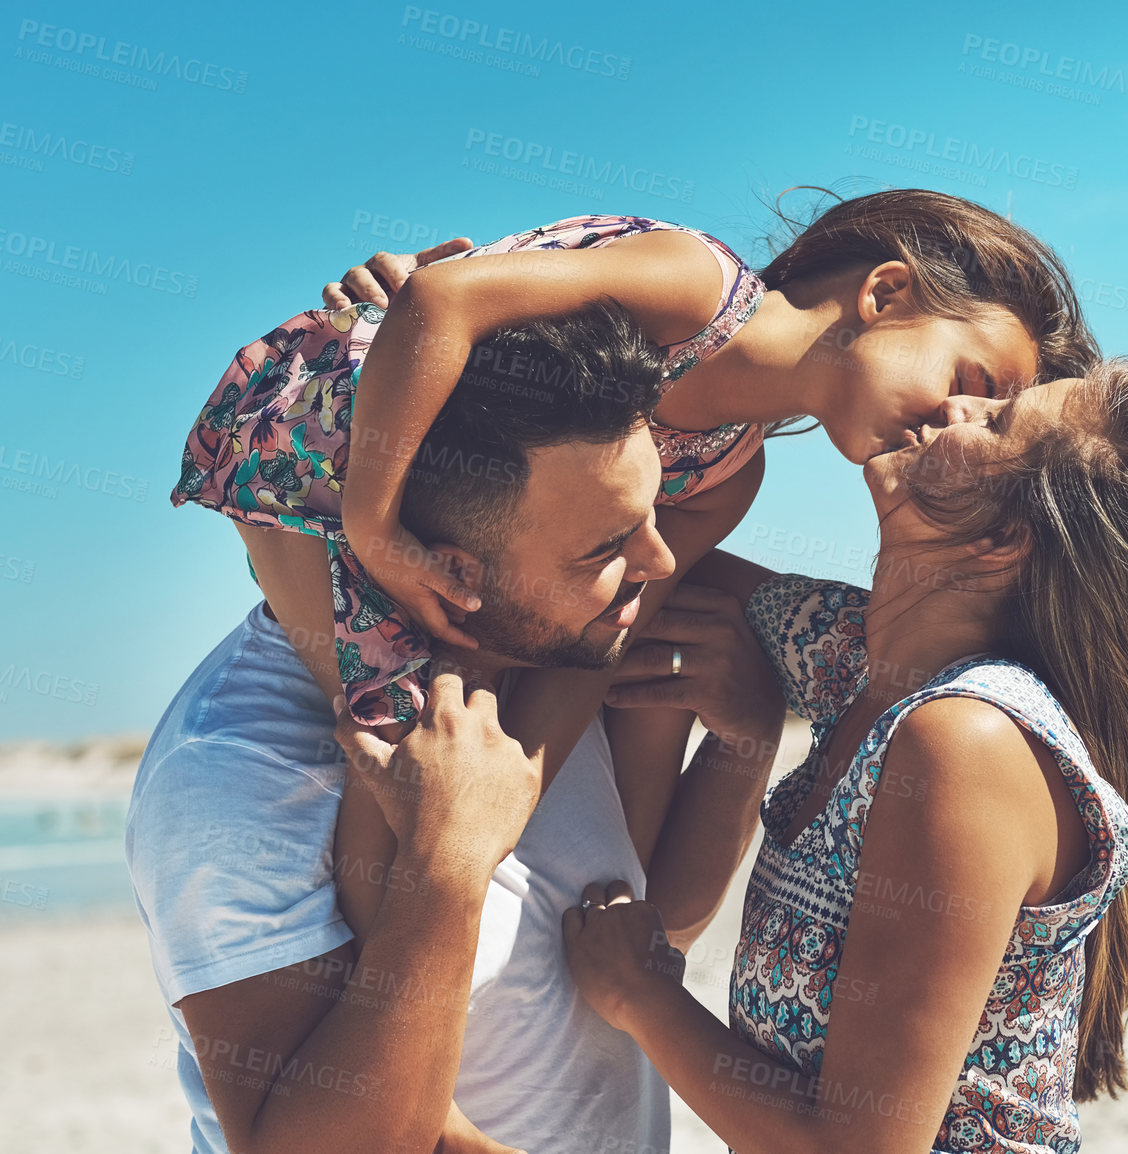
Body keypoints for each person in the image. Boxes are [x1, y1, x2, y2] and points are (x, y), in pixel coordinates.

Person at [172, 190, 1099, 952]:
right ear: (886, 293)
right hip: (319, 442)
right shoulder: (696, 284)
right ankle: (381, 1014)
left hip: (449, 531)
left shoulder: (730, 473)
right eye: (975, 382)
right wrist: (374, 531)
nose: (958, 426)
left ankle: (407, 989)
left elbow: (601, 642)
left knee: (427, 758)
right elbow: (443, 299)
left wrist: (510, 793)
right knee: (388, 723)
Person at [567, 358, 1128, 1152]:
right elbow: (659, 563)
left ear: (999, 540)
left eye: (996, 421)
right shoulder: (853, 660)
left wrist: (641, 994)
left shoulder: (966, 738)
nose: (956, 402)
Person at [129, 303, 705, 1154]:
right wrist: (446, 862)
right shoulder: (234, 768)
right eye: (605, 549)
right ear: (453, 570)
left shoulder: (544, 651)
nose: (658, 565)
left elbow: (627, 933)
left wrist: (740, 747)